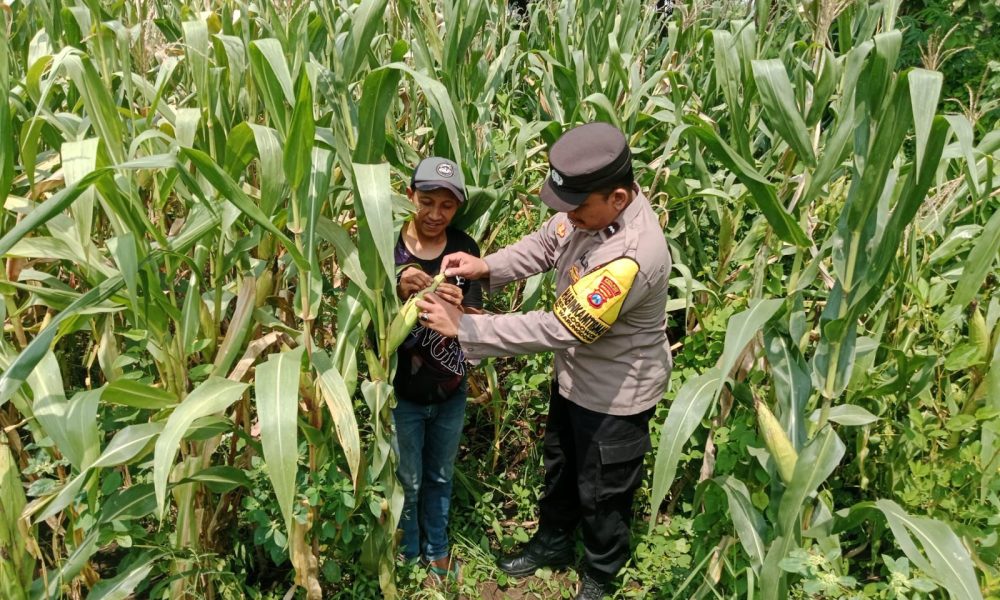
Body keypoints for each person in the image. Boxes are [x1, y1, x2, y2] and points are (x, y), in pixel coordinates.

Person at [415, 123, 672, 600]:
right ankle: (553, 543)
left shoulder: (631, 256)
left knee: (604, 490)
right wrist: (485, 266)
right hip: (574, 377)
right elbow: (543, 243)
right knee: (561, 465)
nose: (567, 216)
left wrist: (465, 327)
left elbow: (560, 327)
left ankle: (600, 572)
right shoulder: (584, 213)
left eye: (576, 207)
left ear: (618, 198)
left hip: (617, 393)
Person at [391, 157, 482, 583]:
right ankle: (408, 557)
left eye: (446, 206)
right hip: (399, 396)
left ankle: (438, 552)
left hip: (450, 392)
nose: (434, 214)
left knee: (441, 474)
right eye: (426, 201)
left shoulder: (465, 250)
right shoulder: (387, 245)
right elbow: (361, 315)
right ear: (410, 196)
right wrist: (396, 284)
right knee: (407, 480)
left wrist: (458, 309)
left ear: (458, 208)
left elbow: (479, 319)